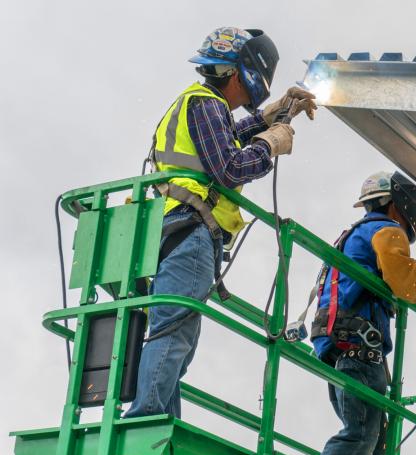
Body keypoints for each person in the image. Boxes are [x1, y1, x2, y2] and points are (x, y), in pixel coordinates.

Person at [126, 27, 317, 418]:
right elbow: (229, 168)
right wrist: (269, 145)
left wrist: (277, 113)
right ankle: (147, 418)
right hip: (189, 230)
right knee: (174, 332)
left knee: (175, 332)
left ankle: (161, 419)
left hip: (171, 227)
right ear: (241, 75)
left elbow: (228, 136)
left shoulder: (200, 104)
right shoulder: (207, 105)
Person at [308, 171, 416, 455]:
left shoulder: (359, 234)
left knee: (374, 441)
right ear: (397, 203)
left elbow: (383, 275)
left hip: (338, 342)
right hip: (358, 344)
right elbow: (405, 285)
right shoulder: (388, 231)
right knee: (361, 436)